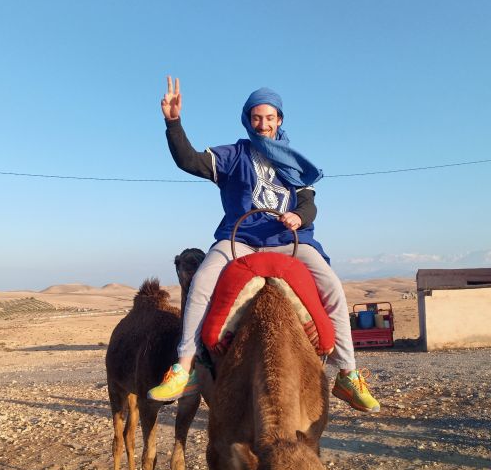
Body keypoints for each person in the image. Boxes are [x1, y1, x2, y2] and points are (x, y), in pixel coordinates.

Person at [148, 77, 380, 413]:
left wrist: (299, 218)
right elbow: (189, 160)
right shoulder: (233, 155)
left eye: (270, 118)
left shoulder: (295, 161)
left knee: (331, 285)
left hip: (288, 241)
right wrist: (173, 122)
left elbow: (309, 204)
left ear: (280, 120)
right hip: (238, 239)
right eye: (257, 117)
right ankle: (185, 368)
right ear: (248, 119)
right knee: (201, 283)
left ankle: (347, 373)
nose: (263, 123)